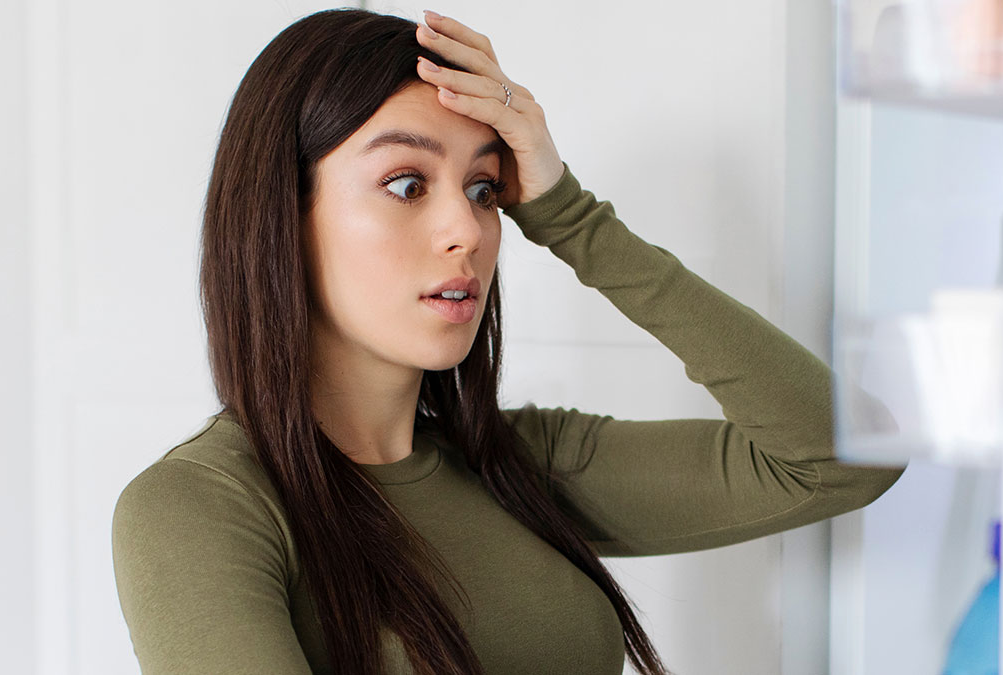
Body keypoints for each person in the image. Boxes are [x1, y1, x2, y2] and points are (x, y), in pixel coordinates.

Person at [110, 8, 906, 675]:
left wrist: (568, 215)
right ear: (282, 211)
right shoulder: (203, 506)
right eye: (406, 184)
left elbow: (845, 457)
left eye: (485, 188)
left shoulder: (517, 464)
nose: (468, 230)